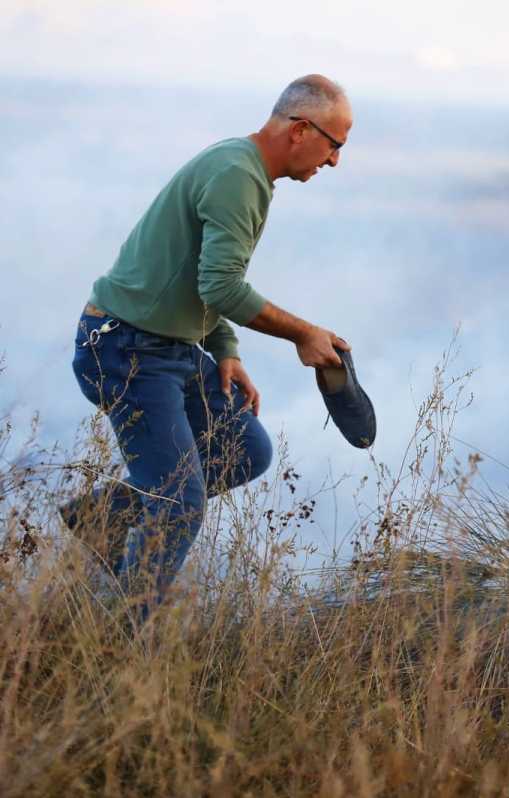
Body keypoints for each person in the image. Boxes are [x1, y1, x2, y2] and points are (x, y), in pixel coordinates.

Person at [65, 74, 352, 618]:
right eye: (334, 144)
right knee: (178, 504)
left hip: (169, 350)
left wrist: (226, 347)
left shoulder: (247, 171)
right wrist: (303, 334)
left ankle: (99, 519)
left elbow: (206, 276)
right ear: (300, 129)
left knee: (246, 450)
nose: (335, 160)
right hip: (126, 351)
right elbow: (221, 285)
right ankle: (115, 647)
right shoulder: (236, 175)